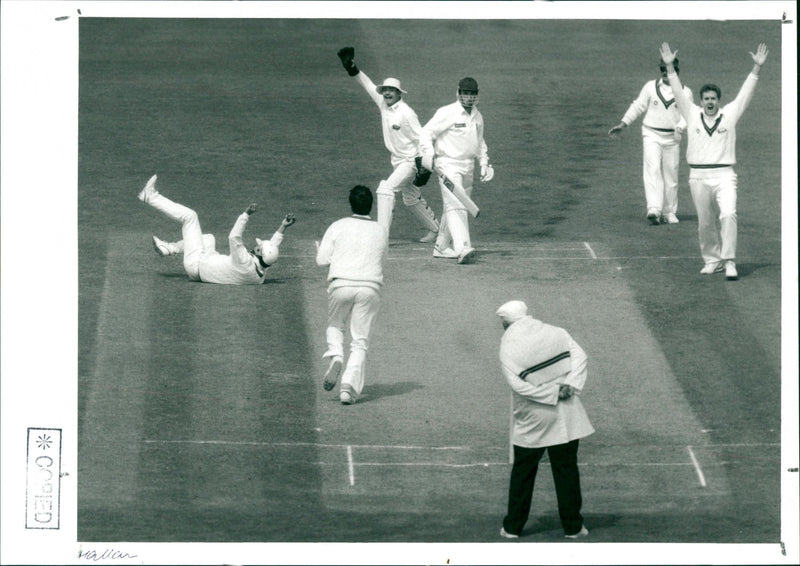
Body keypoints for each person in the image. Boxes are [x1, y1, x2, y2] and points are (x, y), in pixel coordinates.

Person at [659, 42, 769, 281]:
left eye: (713, 98)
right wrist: (670, 67)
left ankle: (729, 261)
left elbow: (744, 94)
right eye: (706, 98)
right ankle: (712, 260)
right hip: (698, 176)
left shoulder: (730, 114)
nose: (710, 102)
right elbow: (678, 91)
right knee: (705, 221)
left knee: (728, 214)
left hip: (724, 175)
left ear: (719, 100)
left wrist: (756, 68)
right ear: (701, 100)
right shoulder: (691, 113)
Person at [495, 300, 594, 540]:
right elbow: (580, 357)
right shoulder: (556, 332)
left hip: (533, 419)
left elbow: (518, 385)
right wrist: (568, 386)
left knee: (523, 473)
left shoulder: (507, 346)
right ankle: (573, 527)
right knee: (566, 470)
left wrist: (550, 394)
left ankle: (513, 528)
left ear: (505, 322)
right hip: (566, 413)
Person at [336, 46, 439, 243]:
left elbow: (423, 137)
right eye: (385, 90)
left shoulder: (407, 113)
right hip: (397, 160)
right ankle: (435, 230)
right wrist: (352, 68)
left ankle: (381, 236)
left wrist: (424, 164)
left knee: (386, 189)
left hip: (410, 161)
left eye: (392, 90)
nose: (387, 93)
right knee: (410, 198)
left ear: (399, 94)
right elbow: (368, 85)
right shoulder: (383, 104)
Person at [138, 174, 295, 284]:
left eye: (259, 247)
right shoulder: (259, 274)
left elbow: (234, 237)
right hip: (202, 269)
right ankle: (169, 248)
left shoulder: (244, 261)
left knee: (190, 217)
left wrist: (246, 214)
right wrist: (283, 227)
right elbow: (271, 250)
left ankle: (150, 196)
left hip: (196, 263)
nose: (257, 246)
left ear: (260, 253)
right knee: (208, 239)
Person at [315, 185, 388, 405]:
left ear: (350, 204)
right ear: (371, 206)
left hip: (340, 285)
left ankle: (336, 356)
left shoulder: (338, 226)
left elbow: (321, 261)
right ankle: (348, 387)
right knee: (360, 341)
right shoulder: (380, 230)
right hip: (369, 287)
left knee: (335, 325)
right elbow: (381, 260)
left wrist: (322, 250)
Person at [608, 58, 693, 225]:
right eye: (662, 69)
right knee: (652, 169)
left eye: (668, 69)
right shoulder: (650, 87)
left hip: (672, 138)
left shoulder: (685, 91)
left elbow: (689, 115)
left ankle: (669, 212)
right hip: (651, 134)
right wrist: (623, 123)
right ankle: (654, 208)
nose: (664, 72)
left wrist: (680, 128)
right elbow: (638, 105)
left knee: (671, 175)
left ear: (676, 70)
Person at [419, 77, 494, 264]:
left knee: (452, 207)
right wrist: (428, 154)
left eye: (472, 94)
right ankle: (462, 247)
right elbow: (426, 133)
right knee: (455, 204)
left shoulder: (478, 116)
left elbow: (479, 142)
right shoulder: (447, 112)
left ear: (477, 95)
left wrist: (484, 164)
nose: (468, 97)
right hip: (448, 165)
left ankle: (442, 246)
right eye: (465, 93)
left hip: (468, 167)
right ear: (458, 93)